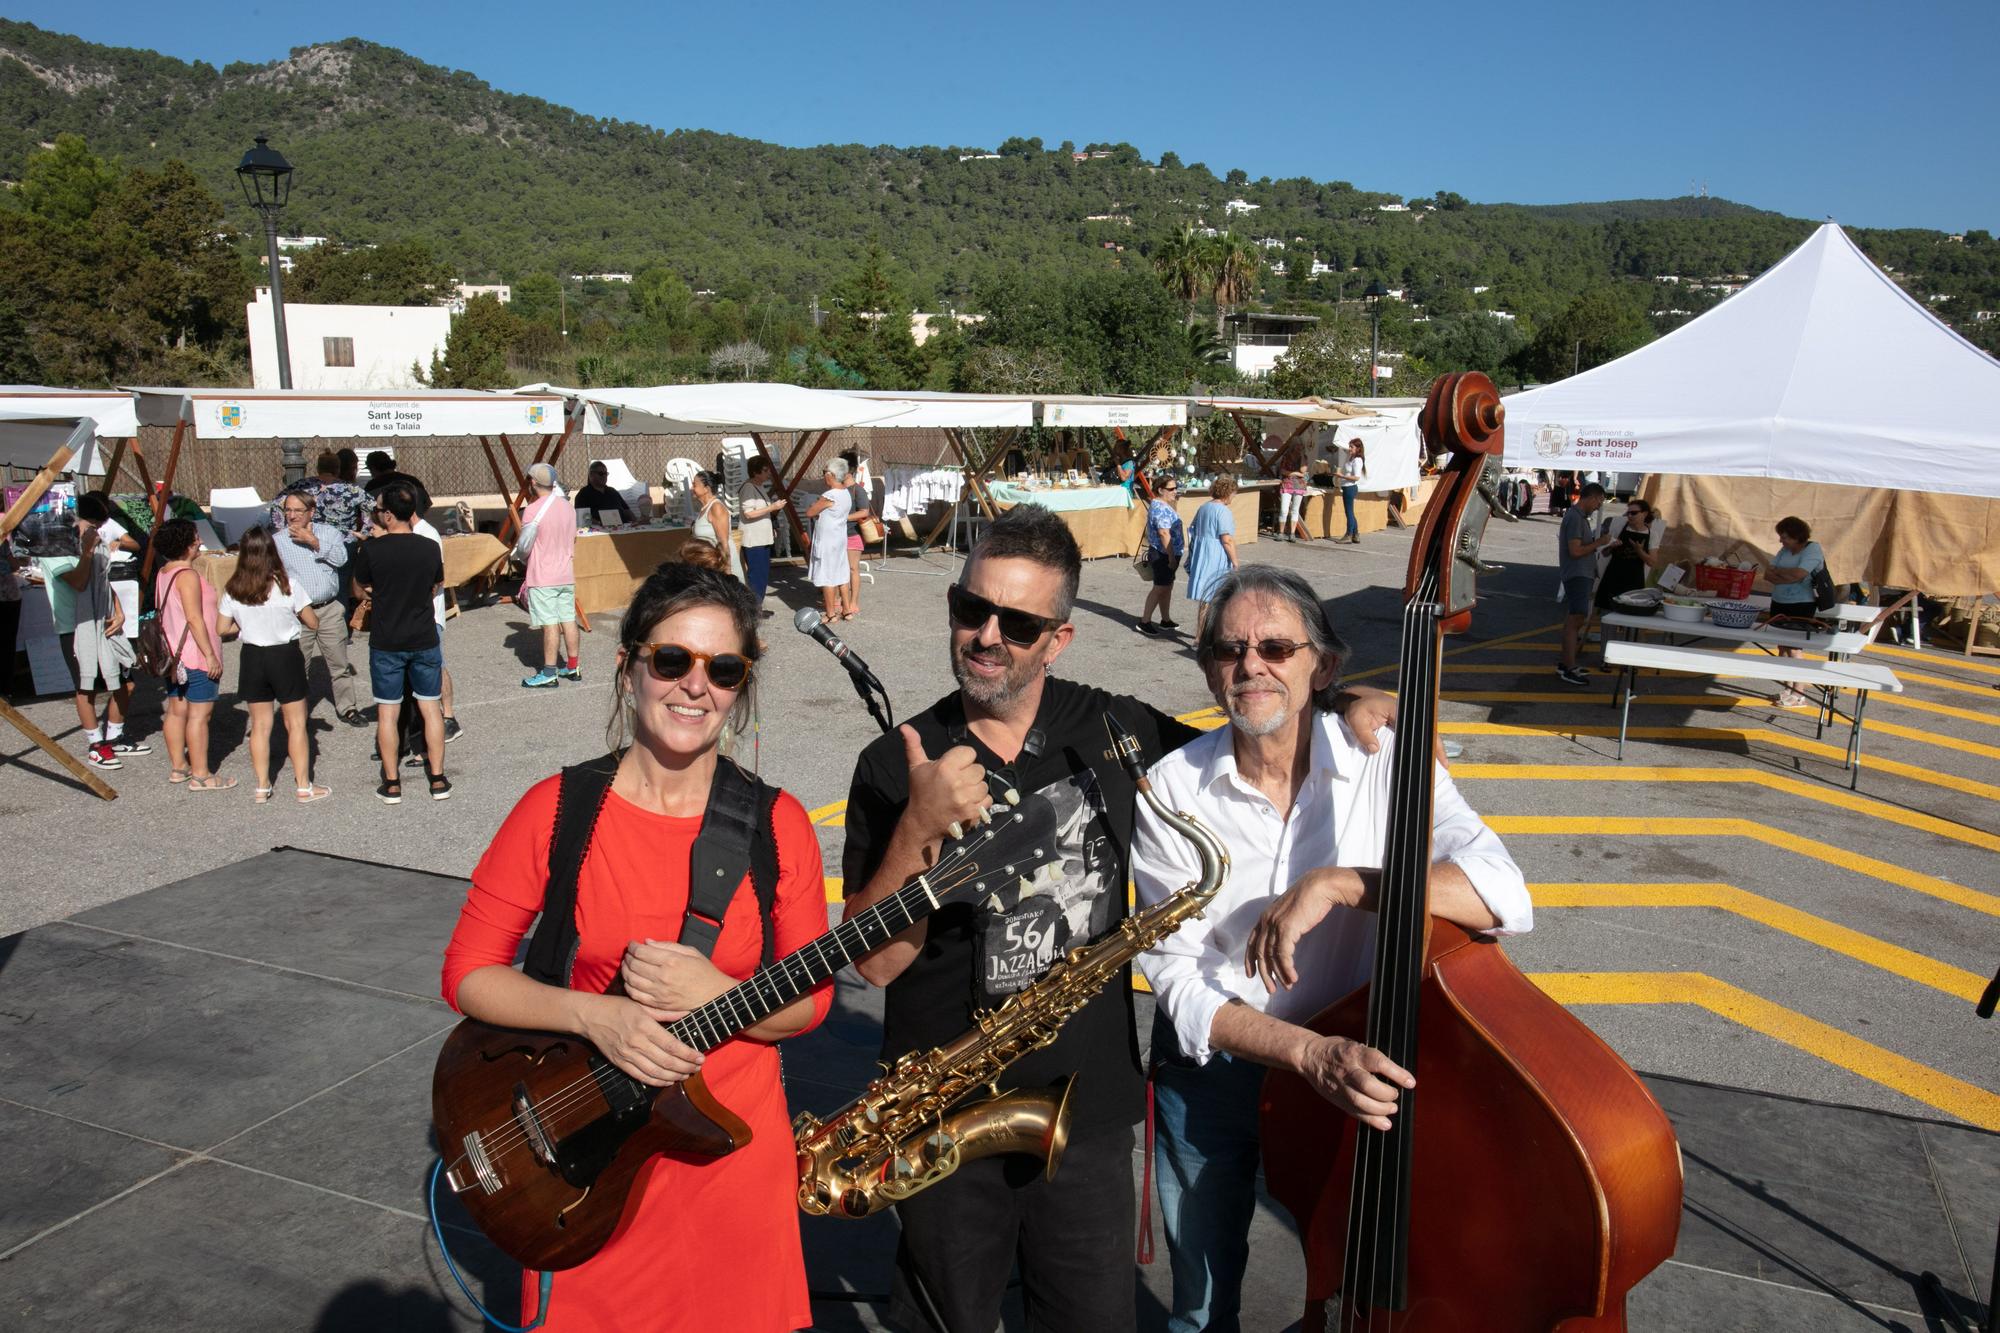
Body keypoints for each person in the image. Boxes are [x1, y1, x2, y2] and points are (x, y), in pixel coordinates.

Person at [839, 507, 1398, 1332]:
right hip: (940, 1115)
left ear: (1058, 639)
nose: (986, 636)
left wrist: (1348, 696)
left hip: (1083, 1116)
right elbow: (875, 965)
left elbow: (1252, 728)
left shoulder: (1118, 731)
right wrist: (917, 832)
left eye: (1018, 622)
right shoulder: (897, 760)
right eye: (971, 609)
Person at [1131, 565, 1531, 1333]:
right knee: (1201, 1307)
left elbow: (1502, 890)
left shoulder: (1386, 759)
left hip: (1355, 1062)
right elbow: (1176, 976)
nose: (1251, 665)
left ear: (1326, 665)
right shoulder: (1170, 788)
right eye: (1228, 648)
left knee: (1349, 1281)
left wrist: (1346, 882)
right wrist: (1305, 1053)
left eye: (1278, 646)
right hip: (1218, 1071)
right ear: (1209, 666)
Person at [442, 563, 831, 1333]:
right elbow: (468, 974)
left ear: (741, 684)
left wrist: (714, 992)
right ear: (627, 669)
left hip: (730, 1171)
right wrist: (596, 1017)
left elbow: (811, 1000)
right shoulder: (559, 811)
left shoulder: (779, 824)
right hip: (586, 1167)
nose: (695, 686)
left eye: (723, 668)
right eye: (671, 660)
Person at [351, 483, 449, 804]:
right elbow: (437, 583)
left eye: (379, 511)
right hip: (423, 635)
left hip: (387, 639)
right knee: (430, 708)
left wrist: (378, 594)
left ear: (389, 515)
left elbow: (358, 588)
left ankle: (392, 782)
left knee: (388, 713)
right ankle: (438, 778)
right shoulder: (429, 547)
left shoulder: (373, 550)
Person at [218, 527, 328, 804]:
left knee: (260, 725)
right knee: (296, 724)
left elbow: (222, 628)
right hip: (285, 654)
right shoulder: (287, 583)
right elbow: (312, 621)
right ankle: (303, 785)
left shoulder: (235, 588)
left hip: (253, 655)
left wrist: (247, 623)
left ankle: (262, 785)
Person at [269, 488, 365, 725]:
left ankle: (347, 708)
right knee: (298, 665)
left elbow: (342, 560)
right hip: (299, 613)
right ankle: (296, 712)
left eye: (298, 510)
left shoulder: (329, 533)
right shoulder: (277, 541)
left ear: (311, 512)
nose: (292, 516)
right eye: (288, 510)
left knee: (338, 662)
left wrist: (314, 542)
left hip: (330, 607)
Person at [150, 518, 232, 791]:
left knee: (176, 711)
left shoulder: (164, 573)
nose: (199, 541)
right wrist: (210, 655)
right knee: (200, 715)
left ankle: (179, 767)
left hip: (173, 656)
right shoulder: (188, 576)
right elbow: (194, 619)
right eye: (195, 537)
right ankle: (202, 775)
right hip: (194, 655)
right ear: (185, 544)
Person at [62, 494, 138, 769]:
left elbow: (104, 580)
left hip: (105, 619)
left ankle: (114, 737)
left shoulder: (96, 542)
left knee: (127, 681)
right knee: (87, 687)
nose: (95, 530)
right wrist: (87, 551)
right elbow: (79, 582)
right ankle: (95, 744)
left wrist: (118, 610)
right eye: (92, 523)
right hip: (77, 626)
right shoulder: (62, 548)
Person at [517, 461, 581, 689]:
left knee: (550, 624)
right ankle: (573, 666)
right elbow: (573, 537)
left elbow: (524, 546)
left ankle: (549, 672)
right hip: (565, 572)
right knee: (568, 619)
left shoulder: (533, 510)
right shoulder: (567, 507)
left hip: (543, 575)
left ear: (533, 483)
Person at [1763, 515, 1827, 707]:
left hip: (1801, 604)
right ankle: (1787, 687)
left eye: (1785, 537)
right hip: (1779, 601)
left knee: (1794, 648)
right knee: (1782, 647)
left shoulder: (1813, 550)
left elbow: (1800, 574)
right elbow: (1768, 573)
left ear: (1797, 536)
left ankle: (1799, 693)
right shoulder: (1785, 550)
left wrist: (1782, 574)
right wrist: (1788, 576)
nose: (1780, 541)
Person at [1556, 481, 1616, 685]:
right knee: (1575, 620)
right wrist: (1599, 543)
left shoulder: (1578, 517)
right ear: (1592, 497)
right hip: (1577, 574)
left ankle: (1567, 663)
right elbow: (1575, 551)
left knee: (1575, 619)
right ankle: (1568, 667)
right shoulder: (1575, 518)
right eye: (1599, 501)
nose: (1599, 506)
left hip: (1581, 573)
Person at [1589, 497, 1664, 654]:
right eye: (1628, 512)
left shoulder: (1652, 534)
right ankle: (1606, 656)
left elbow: (1652, 561)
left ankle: (1627, 656)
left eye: (1634, 513)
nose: (1629, 516)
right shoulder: (1619, 527)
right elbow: (1604, 552)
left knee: (1631, 621)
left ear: (1644, 514)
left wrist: (1639, 551)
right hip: (1613, 576)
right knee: (1607, 619)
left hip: (1633, 581)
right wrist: (1611, 547)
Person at [1184, 476, 1240, 635]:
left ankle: (1200, 635)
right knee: (1219, 596)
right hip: (1216, 555)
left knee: (1205, 600)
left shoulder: (1204, 507)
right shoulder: (1223, 511)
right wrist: (1235, 562)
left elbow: (1193, 529)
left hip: (1203, 554)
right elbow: (1227, 539)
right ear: (1228, 492)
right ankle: (1215, 633)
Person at [1137, 475, 1185, 636]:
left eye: (1175, 488)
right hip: (1163, 554)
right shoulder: (1160, 507)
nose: (1175, 491)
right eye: (1171, 489)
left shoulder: (1162, 505)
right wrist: (1171, 557)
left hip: (1166, 553)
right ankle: (1144, 621)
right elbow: (1164, 533)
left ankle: (1165, 619)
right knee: (1159, 588)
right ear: (1160, 490)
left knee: (1166, 587)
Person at [805, 458, 852, 623]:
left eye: (825, 472)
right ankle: (847, 610)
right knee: (841, 574)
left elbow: (810, 512)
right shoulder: (845, 493)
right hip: (839, 538)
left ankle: (831, 613)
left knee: (827, 577)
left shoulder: (830, 495)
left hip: (827, 541)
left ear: (831, 474)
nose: (824, 476)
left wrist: (815, 507)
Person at [736, 456, 785, 610]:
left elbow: (760, 512)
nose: (768, 473)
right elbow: (749, 513)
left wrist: (770, 526)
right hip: (754, 539)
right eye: (765, 470)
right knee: (757, 575)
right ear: (756, 472)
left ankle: (757, 607)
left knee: (762, 574)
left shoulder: (758, 486)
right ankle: (753, 608)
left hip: (761, 537)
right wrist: (772, 508)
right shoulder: (749, 488)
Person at [839, 450, 875, 619]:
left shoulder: (857, 490)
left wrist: (843, 517)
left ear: (850, 469)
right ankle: (842, 601)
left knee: (852, 569)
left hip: (852, 534)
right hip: (838, 534)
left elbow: (864, 512)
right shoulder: (837, 488)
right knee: (840, 570)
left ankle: (853, 602)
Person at [688, 470, 742, 581]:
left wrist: (728, 574)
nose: (691, 487)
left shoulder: (716, 507)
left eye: (694, 485)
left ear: (706, 489)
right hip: (709, 565)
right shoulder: (704, 508)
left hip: (721, 566)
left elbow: (724, 543)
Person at [362, 450, 431, 516]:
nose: (371, 474)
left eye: (370, 470)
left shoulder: (372, 486)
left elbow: (365, 511)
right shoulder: (413, 481)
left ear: (373, 468)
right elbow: (427, 505)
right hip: (416, 526)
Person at [573, 461, 636, 527]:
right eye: (601, 473)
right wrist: (599, 523)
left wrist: (635, 521)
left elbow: (627, 510)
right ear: (591, 475)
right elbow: (582, 517)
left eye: (606, 474)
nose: (604, 476)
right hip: (599, 530)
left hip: (624, 527)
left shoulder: (613, 491)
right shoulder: (583, 494)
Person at [1337, 439, 1366, 544]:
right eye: (1349, 446)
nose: (1349, 449)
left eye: (1351, 447)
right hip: (1347, 486)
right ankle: (1355, 534)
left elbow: (1356, 477)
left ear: (1358, 448)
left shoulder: (1357, 460)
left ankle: (1349, 534)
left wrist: (1342, 476)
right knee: (1350, 512)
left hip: (1350, 487)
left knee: (1349, 512)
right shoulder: (1352, 458)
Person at [1276, 465, 1310, 544]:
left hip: (1299, 486)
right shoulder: (1286, 457)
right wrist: (1298, 474)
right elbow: (1283, 471)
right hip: (1287, 485)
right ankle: (1281, 532)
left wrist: (1294, 473)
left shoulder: (1303, 457)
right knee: (1284, 510)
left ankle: (1292, 533)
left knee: (1295, 510)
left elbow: (1303, 471)